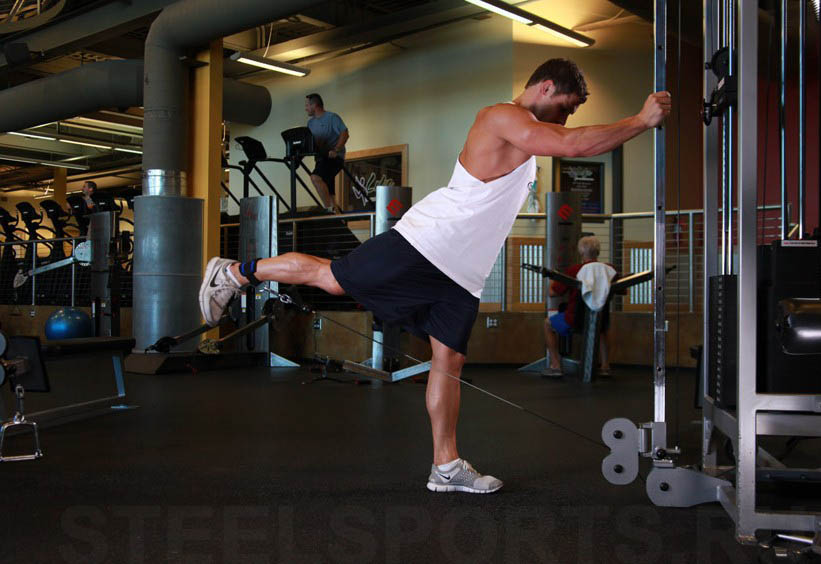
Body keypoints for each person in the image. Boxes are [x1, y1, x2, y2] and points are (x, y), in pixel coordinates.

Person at [199, 58, 671, 493]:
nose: (564, 120)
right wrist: (640, 121)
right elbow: (572, 144)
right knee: (335, 279)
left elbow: (560, 144)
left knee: (449, 361)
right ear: (545, 87)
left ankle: (445, 466)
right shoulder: (501, 116)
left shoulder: (527, 138)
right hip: (425, 244)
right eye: (565, 107)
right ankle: (235, 272)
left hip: (462, 275)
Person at [543, 235, 614, 378]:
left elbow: (552, 293)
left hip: (575, 320)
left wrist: (553, 278)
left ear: (581, 252)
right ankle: (605, 366)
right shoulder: (610, 269)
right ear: (598, 251)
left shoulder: (574, 270)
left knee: (547, 324)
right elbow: (622, 290)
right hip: (600, 319)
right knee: (602, 328)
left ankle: (556, 365)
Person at [305, 93, 349, 214]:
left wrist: (336, 150)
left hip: (334, 158)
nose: (305, 108)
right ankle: (336, 215)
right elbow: (310, 143)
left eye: (307, 105)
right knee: (329, 192)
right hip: (320, 159)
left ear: (314, 105)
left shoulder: (332, 118)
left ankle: (329, 210)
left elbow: (345, 133)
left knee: (315, 177)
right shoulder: (310, 123)